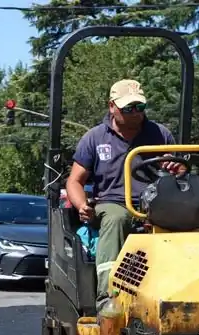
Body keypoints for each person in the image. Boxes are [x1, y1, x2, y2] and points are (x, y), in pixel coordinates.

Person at [65, 78, 186, 303]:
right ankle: (108, 296)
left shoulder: (160, 134)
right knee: (117, 218)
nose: (135, 113)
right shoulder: (94, 138)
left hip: (155, 202)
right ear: (112, 106)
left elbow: (179, 173)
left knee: (192, 219)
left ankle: (185, 291)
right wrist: (82, 205)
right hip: (113, 203)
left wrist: (178, 169)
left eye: (139, 107)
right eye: (128, 108)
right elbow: (74, 181)